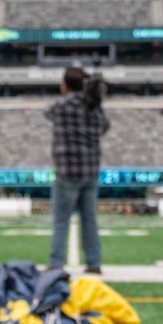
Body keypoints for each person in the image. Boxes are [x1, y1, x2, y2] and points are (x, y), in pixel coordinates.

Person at [46, 66, 109, 274]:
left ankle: (56, 263)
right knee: (89, 220)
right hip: (90, 172)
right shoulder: (93, 107)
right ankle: (94, 263)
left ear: (65, 85)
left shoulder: (60, 105)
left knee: (61, 221)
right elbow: (105, 127)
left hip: (66, 172)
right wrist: (93, 99)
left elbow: (47, 112)